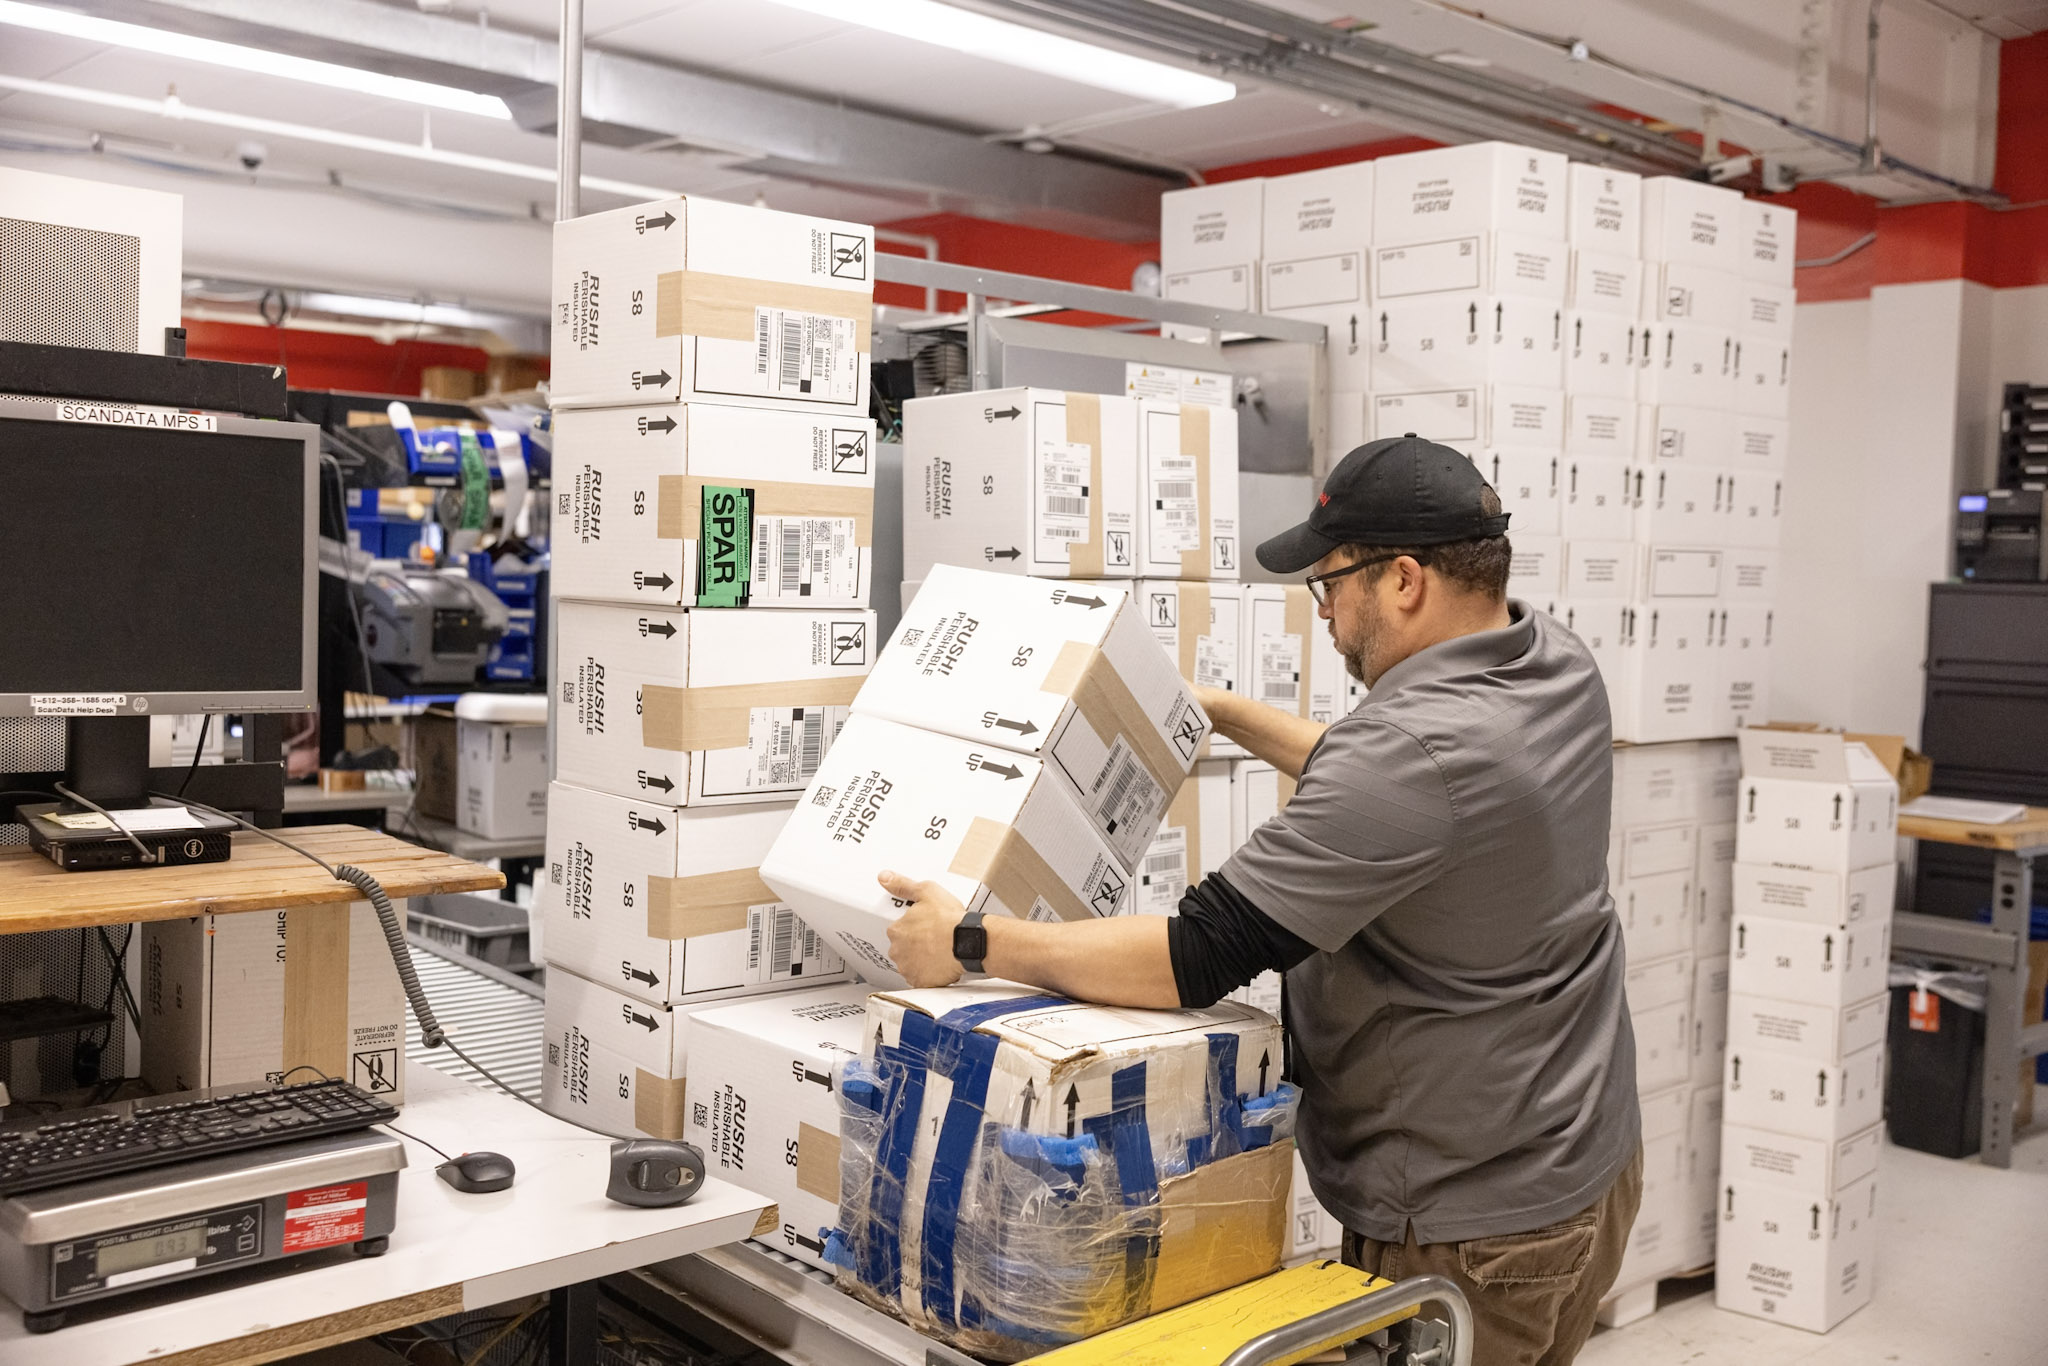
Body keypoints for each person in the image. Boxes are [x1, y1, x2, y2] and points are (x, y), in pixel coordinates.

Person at [877, 434, 1640, 1366]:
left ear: (1404, 580)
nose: (1323, 611)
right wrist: (1225, 712)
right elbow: (1399, 793)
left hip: (1471, 1221)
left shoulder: (1413, 759)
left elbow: (1196, 954)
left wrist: (969, 941)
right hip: (1584, 1164)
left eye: (1331, 580)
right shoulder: (1548, 662)